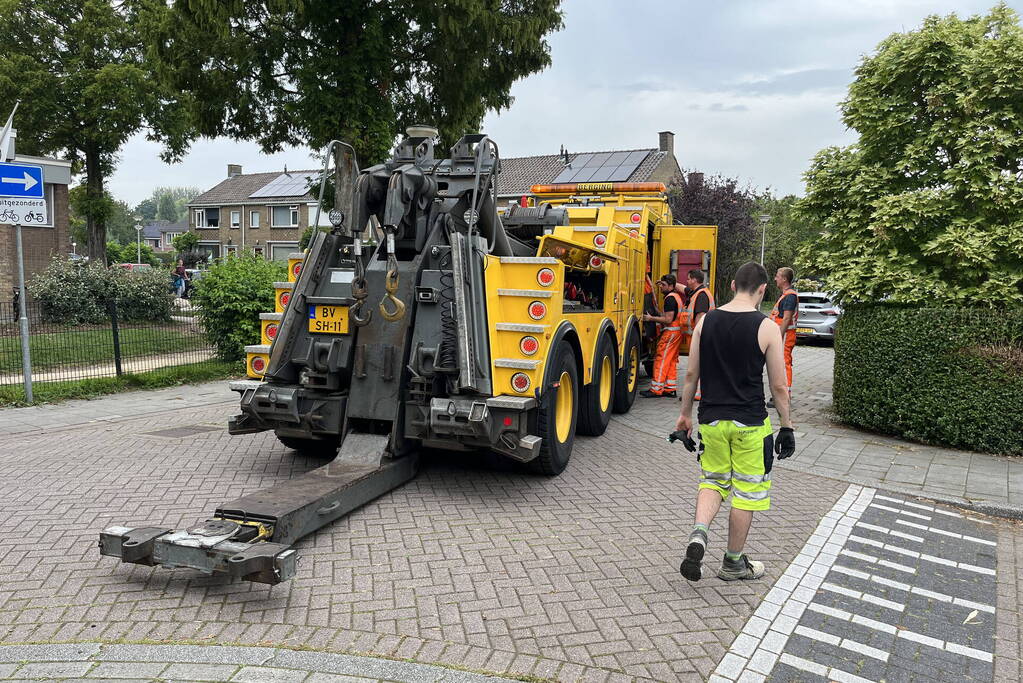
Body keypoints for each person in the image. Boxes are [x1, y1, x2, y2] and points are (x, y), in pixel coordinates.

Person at [674, 261, 795, 581]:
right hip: (751, 425)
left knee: (712, 482)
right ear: (763, 290)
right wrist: (787, 425)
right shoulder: (767, 327)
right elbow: (779, 386)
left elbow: (690, 375)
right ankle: (732, 562)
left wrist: (685, 416)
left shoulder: (706, 322)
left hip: (711, 421)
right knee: (745, 492)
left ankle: (699, 533)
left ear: (731, 285)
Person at [640, 274, 683, 398]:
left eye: (663, 285)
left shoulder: (669, 299)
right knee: (671, 361)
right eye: (661, 284)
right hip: (676, 333)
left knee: (662, 359)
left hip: (670, 333)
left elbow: (668, 319)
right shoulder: (676, 296)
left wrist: (650, 318)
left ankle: (656, 389)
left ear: (671, 286)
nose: (661, 287)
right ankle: (670, 388)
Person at [768, 267, 799, 407]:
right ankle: (780, 395)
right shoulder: (786, 295)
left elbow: (786, 319)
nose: (775, 279)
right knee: (780, 364)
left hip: (785, 336)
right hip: (783, 335)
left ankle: (783, 397)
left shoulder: (790, 296)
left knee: (784, 364)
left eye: (777, 276)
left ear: (784, 279)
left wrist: (778, 336)